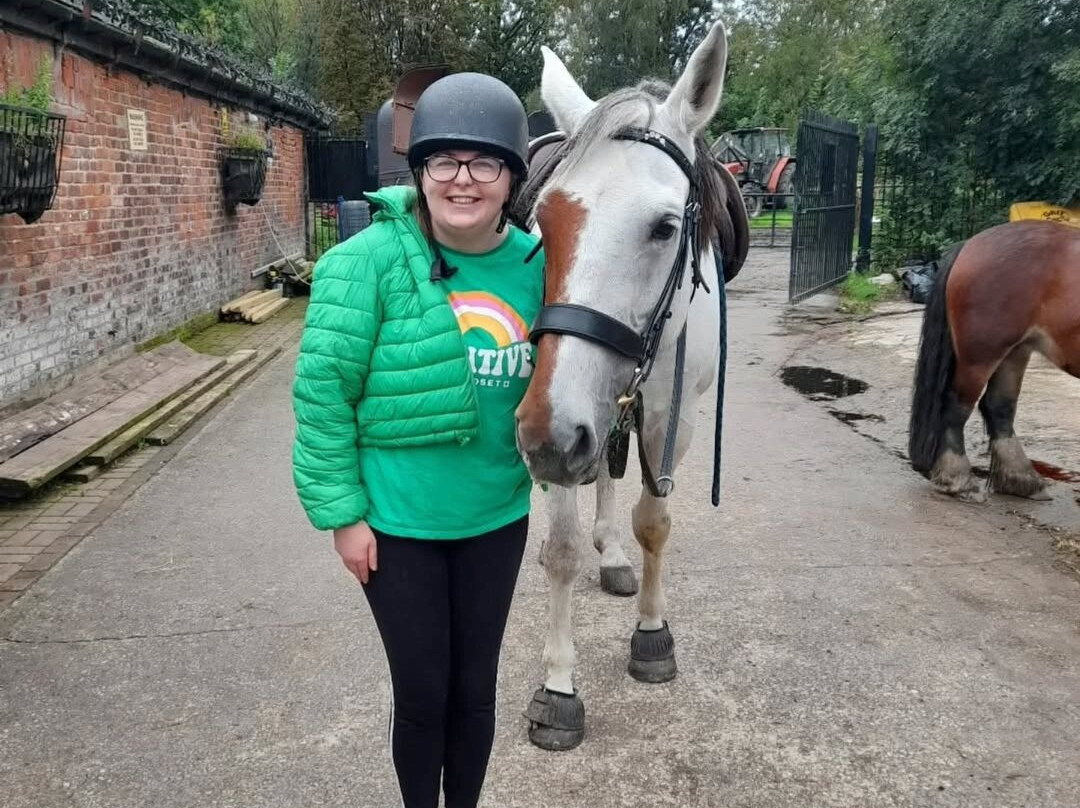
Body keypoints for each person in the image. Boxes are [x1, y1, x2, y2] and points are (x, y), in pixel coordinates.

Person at [291, 73, 543, 808]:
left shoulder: (539, 267)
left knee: (476, 689)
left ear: (510, 176)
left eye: (484, 163)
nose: (463, 180)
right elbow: (323, 398)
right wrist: (342, 516)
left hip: (496, 517)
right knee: (424, 690)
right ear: (420, 170)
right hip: (397, 527)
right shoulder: (362, 264)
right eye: (444, 163)